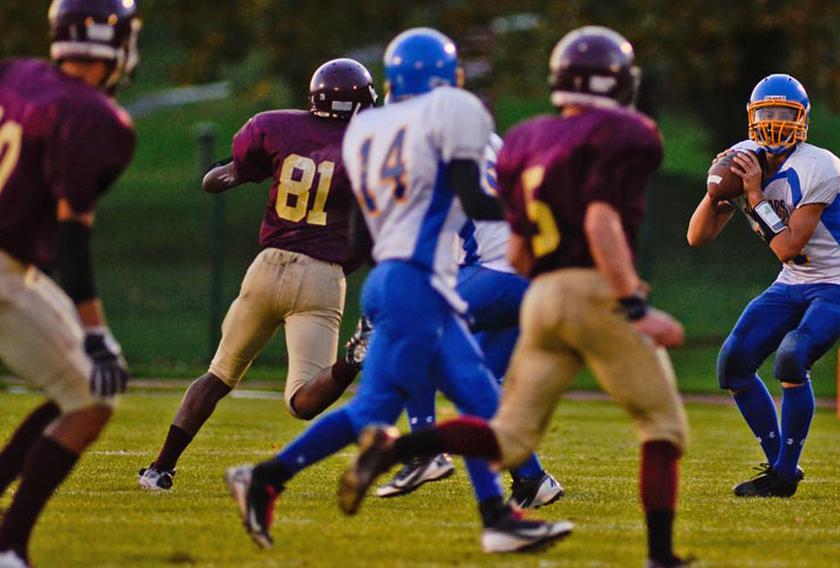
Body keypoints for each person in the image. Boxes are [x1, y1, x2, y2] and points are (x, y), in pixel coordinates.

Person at [338, 26, 691, 568]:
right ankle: (661, 556)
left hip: (541, 295)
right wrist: (635, 306)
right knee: (662, 426)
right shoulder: (629, 132)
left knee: (506, 433)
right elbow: (599, 220)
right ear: (617, 82)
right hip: (589, 289)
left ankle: (400, 449)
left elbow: (522, 252)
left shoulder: (526, 139)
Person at [224, 28, 572, 554]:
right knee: (474, 393)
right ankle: (489, 505)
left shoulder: (370, 134)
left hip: (393, 278)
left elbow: (364, 229)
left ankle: (266, 478)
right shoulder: (445, 123)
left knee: (387, 408)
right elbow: (476, 200)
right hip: (420, 282)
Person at [137, 58, 377, 491]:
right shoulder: (368, 146)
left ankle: (160, 468)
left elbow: (218, 179)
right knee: (302, 401)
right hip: (322, 277)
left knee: (219, 375)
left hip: (268, 267)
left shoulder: (275, 126)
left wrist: (232, 173)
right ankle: (352, 360)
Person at [0, 1, 141, 565]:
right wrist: (96, 331)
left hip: (15, 266)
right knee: (90, 397)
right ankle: (10, 548)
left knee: (83, 390)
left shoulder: (16, 73)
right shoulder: (98, 119)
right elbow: (71, 238)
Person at [687, 74, 840, 497]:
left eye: (784, 113)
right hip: (795, 280)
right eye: (766, 113)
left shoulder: (819, 165)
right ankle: (779, 467)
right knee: (733, 364)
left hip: (839, 277)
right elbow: (697, 238)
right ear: (752, 118)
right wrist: (715, 191)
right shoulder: (743, 158)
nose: (775, 122)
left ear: (802, 119)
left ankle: (785, 474)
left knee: (792, 357)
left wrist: (753, 195)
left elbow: (788, 246)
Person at [378, 133, 564, 510]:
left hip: (496, 271)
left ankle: (427, 448)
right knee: (478, 384)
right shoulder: (489, 141)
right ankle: (532, 479)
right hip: (534, 273)